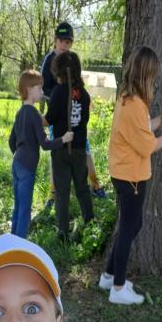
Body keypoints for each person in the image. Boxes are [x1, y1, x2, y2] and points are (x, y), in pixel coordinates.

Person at [98, 46, 162, 305]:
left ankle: (109, 276)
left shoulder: (128, 99)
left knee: (132, 225)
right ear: (146, 75)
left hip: (125, 172)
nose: (155, 79)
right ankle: (118, 288)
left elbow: (140, 129)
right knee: (129, 228)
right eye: (153, 74)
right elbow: (146, 145)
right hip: (131, 176)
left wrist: (161, 119)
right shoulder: (135, 104)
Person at [41, 22, 107, 201]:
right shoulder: (49, 60)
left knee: (84, 148)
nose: (64, 45)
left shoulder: (71, 59)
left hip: (75, 113)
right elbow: (44, 87)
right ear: (55, 41)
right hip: (57, 116)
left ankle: (95, 183)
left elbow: (78, 83)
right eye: (61, 41)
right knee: (57, 151)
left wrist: (83, 99)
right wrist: (58, 97)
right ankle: (54, 191)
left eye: (68, 42)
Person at [9, 70, 73, 238]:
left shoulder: (20, 112)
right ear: (29, 89)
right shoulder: (34, 114)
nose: (43, 92)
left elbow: (11, 141)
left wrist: (20, 155)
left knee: (18, 206)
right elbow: (44, 144)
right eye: (40, 88)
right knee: (25, 210)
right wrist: (64, 139)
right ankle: (19, 246)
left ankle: (12, 242)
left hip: (16, 163)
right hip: (27, 167)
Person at [46, 51, 94, 240]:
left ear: (59, 73)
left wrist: (34, 117)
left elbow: (49, 119)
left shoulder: (58, 93)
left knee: (62, 191)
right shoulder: (84, 95)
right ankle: (90, 224)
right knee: (82, 187)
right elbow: (85, 120)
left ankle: (63, 231)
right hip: (80, 149)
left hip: (60, 149)